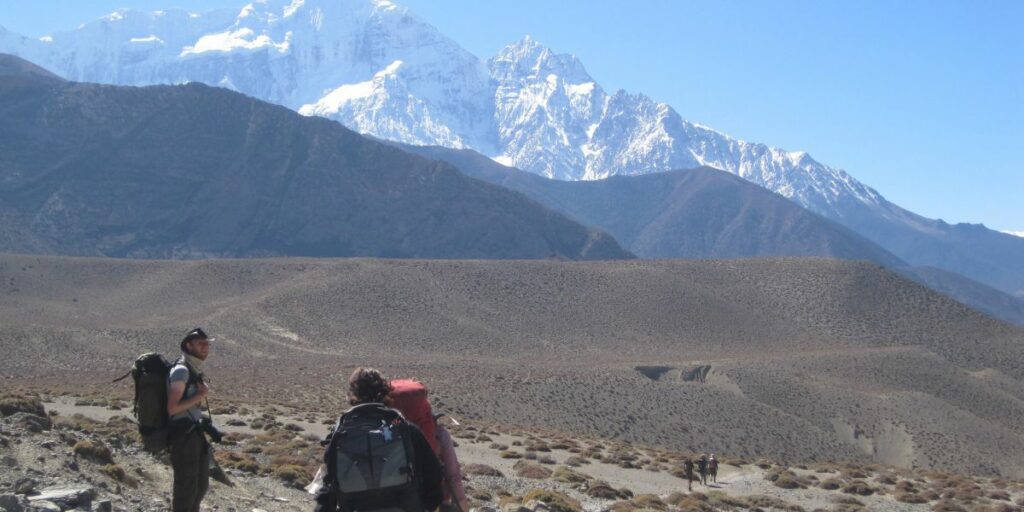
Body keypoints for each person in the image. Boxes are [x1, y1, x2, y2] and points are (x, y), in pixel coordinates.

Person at [314, 368, 444, 512]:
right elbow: (434, 474)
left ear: (352, 395)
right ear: (386, 392)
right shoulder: (404, 428)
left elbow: (328, 486)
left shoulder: (341, 434)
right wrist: (424, 506)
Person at [389, 379, 469, 512]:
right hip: (431, 503)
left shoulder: (382, 433)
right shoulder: (438, 434)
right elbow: (453, 476)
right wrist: (463, 507)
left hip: (390, 502)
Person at [166, 327, 214, 512]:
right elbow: (172, 408)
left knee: (200, 486)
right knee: (186, 489)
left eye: (207, 344)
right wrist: (200, 394)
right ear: (188, 345)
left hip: (194, 434)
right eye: (200, 344)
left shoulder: (192, 370)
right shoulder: (181, 371)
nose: (205, 347)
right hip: (183, 436)